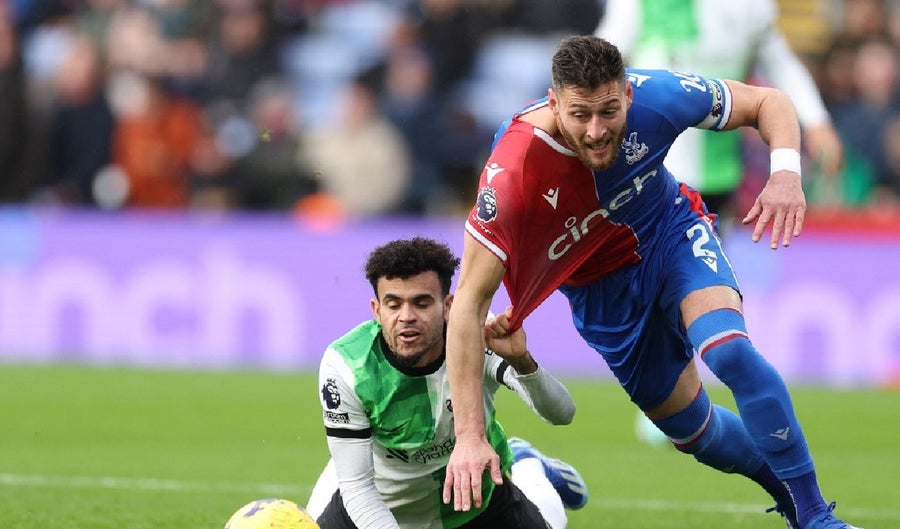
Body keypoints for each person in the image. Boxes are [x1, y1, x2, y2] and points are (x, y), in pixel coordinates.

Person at [442, 35, 862, 529]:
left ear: (627, 95)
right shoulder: (513, 172)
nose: (596, 130)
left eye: (608, 111)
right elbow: (468, 303)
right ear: (554, 104)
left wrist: (785, 173)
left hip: (669, 236)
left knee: (729, 352)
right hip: (602, 294)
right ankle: (789, 499)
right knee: (694, 431)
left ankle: (814, 515)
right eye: (580, 115)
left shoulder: (659, 96)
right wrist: (469, 436)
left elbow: (768, 101)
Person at [312, 237, 589, 529]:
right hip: (378, 506)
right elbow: (357, 488)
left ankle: (528, 464)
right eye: (393, 305)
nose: (406, 317)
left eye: (421, 303)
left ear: (448, 306)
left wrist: (523, 362)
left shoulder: (478, 334)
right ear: (377, 310)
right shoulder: (347, 365)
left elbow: (562, 413)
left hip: (473, 502)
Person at [595, 0, 844, 223]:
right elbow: (600, 62)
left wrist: (817, 122)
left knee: (709, 252)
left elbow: (780, 62)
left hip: (719, 170)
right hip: (653, 170)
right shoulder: (637, 3)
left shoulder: (752, 5)